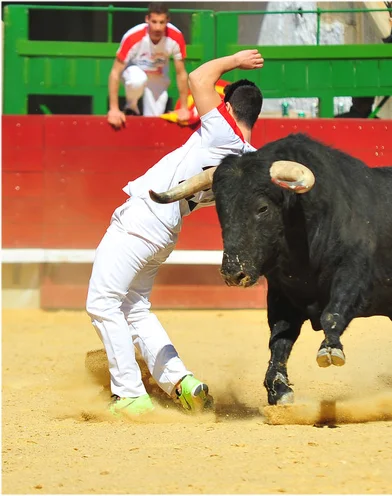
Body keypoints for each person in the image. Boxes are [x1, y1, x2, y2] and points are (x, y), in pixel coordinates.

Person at [86, 49, 264, 417]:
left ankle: (130, 394)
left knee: (102, 304)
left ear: (228, 108)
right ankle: (181, 382)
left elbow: (198, 78)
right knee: (134, 309)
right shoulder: (252, 161)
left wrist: (235, 59)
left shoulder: (221, 133)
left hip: (143, 219)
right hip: (167, 230)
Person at [107, 3, 191, 129]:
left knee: (153, 121)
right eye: (154, 22)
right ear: (147, 20)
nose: (157, 27)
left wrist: (184, 108)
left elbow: (181, 73)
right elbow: (115, 72)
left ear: (167, 21)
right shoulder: (133, 36)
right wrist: (113, 109)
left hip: (158, 75)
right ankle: (131, 108)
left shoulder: (176, 37)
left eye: (162, 22)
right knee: (138, 79)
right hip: (134, 71)